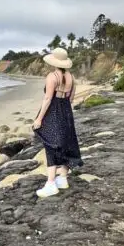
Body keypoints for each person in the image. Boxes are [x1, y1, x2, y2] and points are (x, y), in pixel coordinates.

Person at [32, 46, 83, 198]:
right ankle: (63, 179)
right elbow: (71, 99)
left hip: (53, 111)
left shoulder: (52, 77)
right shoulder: (71, 78)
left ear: (54, 61)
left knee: (51, 145)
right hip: (66, 111)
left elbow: (47, 99)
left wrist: (39, 118)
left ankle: (50, 184)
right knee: (67, 143)